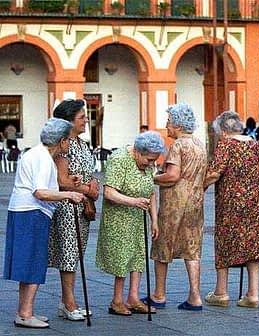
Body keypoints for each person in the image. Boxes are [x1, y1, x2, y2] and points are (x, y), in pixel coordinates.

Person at [3, 118, 85, 329]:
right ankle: (25, 313)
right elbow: (40, 192)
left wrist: (66, 184)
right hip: (32, 212)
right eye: (67, 140)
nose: (69, 144)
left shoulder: (35, 153)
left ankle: (25, 310)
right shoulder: (43, 158)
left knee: (29, 262)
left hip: (23, 210)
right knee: (33, 262)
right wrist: (69, 194)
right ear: (61, 141)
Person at [204, 111, 259, 309]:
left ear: (224, 130)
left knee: (225, 240)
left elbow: (214, 173)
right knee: (254, 244)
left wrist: (199, 189)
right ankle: (253, 295)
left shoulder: (226, 144)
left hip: (232, 205)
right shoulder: (255, 144)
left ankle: (221, 292)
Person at [143, 103, 207, 311]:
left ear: (178, 124)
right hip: (195, 203)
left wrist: (153, 178)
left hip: (175, 204)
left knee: (163, 245)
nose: (167, 125)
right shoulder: (199, 144)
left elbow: (172, 176)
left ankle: (159, 294)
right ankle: (195, 296)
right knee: (192, 248)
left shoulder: (179, 145)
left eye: (169, 121)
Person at [96, 131, 165, 316]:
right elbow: (109, 193)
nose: (151, 164)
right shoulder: (119, 159)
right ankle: (117, 301)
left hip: (138, 217)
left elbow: (151, 192)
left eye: (154, 160)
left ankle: (133, 298)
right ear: (137, 151)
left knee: (139, 256)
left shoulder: (149, 163)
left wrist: (154, 220)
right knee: (122, 258)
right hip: (119, 218)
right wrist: (133, 201)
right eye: (149, 160)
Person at [48, 99, 99, 321]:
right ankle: (69, 303)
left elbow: (85, 171)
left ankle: (68, 300)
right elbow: (62, 180)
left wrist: (92, 184)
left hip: (82, 205)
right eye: (81, 117)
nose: (86, 119)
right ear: (69, 121)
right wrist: (89, 188)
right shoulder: (64, 144)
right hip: (68, 206)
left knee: (76, 253)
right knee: (68, 254)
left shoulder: (82, 143)